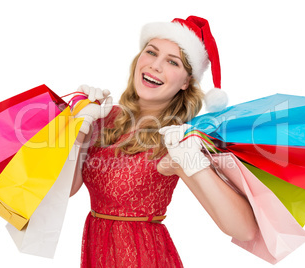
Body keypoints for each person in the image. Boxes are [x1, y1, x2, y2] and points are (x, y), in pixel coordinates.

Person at [70, 16, 258, 268]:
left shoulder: (176, 139)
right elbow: (69, 189)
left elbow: (244, 230)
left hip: (143, 258)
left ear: (185, 82)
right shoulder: (104, 117)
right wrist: (78, 128)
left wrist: (195, 164)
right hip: (98, 254)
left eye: (172, 61)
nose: (155, 66)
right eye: (151, 52)